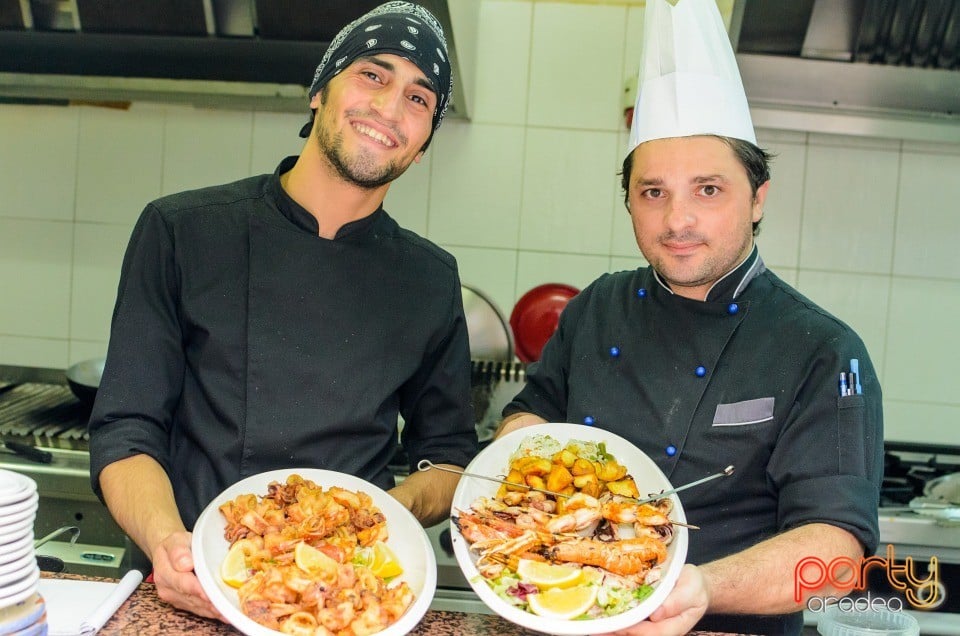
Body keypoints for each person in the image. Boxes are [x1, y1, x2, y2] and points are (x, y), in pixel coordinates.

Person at [497, 0, 882, 634]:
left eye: (708, 189)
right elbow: (533, 409)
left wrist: (701, 587)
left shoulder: (823, 349)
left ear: (757, 198)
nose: (677, 220)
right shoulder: (596, 307)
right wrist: (517, 447)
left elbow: (837, 558)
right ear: (629, 201)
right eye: (654, 192)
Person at [87, 1, 477, 620]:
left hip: (343, 607)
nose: (389, 108)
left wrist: (379, 516)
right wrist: (167, 543)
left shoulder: (430, 279)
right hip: (189, 591)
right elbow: (126, 428)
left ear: (424, 143)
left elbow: (450, 459)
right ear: (319, 92)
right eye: (372, 74)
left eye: (418, 98)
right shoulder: (183, 232)